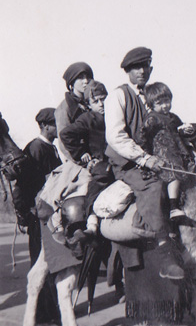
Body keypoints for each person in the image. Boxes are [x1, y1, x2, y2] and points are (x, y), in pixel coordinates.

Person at [105, 46, 184, 280]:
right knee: (154, 187)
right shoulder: (118, 96)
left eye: (145, 66)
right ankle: (164, 253)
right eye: (135, 67)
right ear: (127, 71)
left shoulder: (152, 95)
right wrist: (144, 158)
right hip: (128, 163)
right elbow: (116, 136)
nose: (141, 71)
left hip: (154, 158)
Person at [12, 108, 62, 326]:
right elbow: (23, 184)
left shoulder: (51, 148)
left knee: (52, 262)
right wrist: (26, 212)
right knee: (40, 263)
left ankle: (54, 311)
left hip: (50, 214)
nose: (59, 127)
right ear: (45, 126)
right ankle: (42, 316)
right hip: (38, 215)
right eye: (56, 123)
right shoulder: (35, 148)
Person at [60, 79, 108, 236]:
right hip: (100, 162)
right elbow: (65, 134)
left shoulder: (113, 115)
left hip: (117, 159)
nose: (101, 104)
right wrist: (81, 153)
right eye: (96, 101)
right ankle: (91, 222)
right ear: (89, 104)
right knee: (98, 182)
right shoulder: (88, 118)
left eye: (103, 99)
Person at [140, 82, 195, 219]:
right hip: (163, 153)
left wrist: (186, 130)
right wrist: (145, 157)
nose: (165, 106)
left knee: (190, 169)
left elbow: (179, 129)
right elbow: (143, 136)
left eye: (167, 101)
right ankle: (173, 207)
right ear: (152, 105)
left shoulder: (174, 117)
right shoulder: (152, 119)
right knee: (174, 173)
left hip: (177, 150)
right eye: (160, 103)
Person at [55, 62, 94, 161]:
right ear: (71, 82)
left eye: (88, 77)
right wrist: (80, 158)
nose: (85, 81)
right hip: (81, 161)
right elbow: (63, 142)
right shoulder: (64, 107)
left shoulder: (93, 103)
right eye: (80, 78)